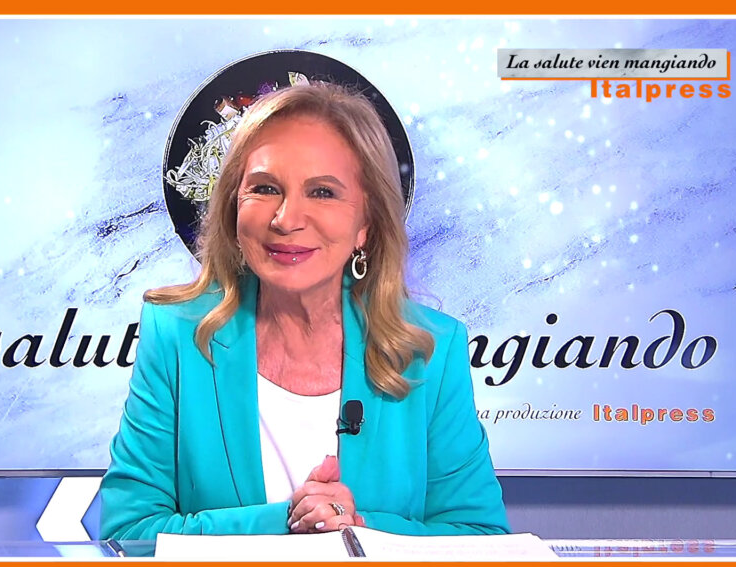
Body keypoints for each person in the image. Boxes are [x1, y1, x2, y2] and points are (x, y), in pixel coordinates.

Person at [100, 82, 510, 539]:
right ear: (234, 206)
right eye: (265, 188)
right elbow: (128, 534)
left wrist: (358, 529)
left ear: (366, 223)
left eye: (323, 192)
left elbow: (481, 539)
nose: (286, 219)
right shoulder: (177, 335)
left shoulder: (430, 349)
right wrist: (287, 523)